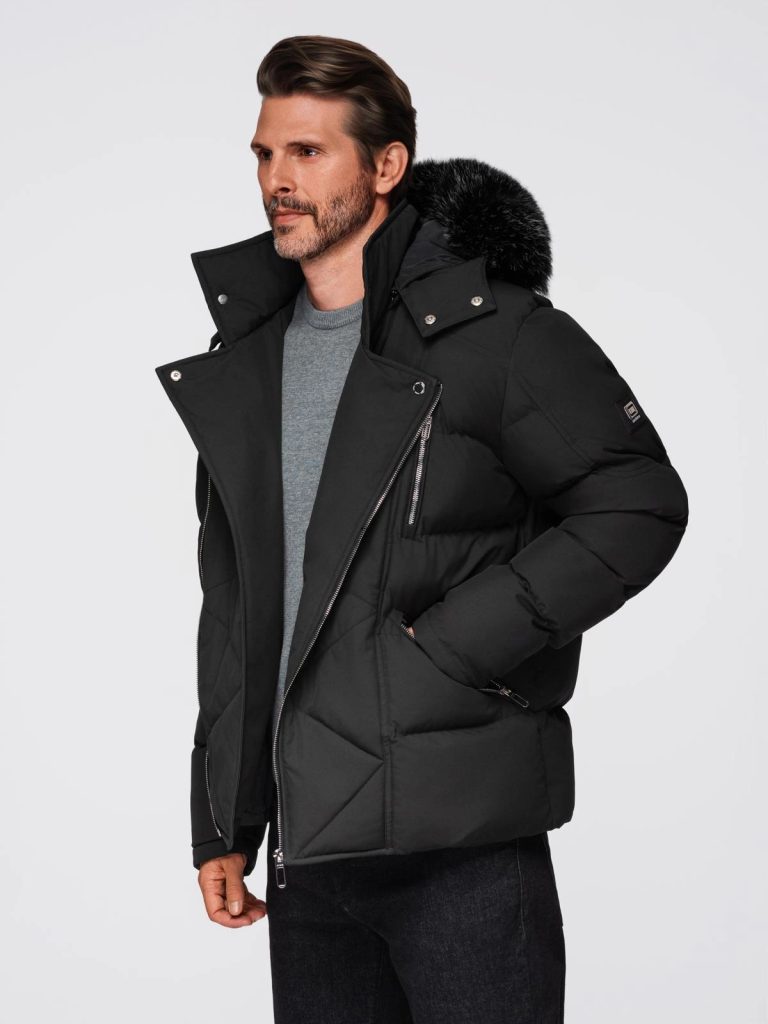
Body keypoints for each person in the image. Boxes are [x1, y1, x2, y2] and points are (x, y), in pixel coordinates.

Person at [154, 34, 689, 1023]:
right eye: (264, 153)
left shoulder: (497, 335)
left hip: (463, 851)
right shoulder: (249, 358)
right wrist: (223, 814)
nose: (277, 180)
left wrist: (450, 649)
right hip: (310, 858)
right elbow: (239, 600)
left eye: (307, 152)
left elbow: (638, 501)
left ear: (386, 164)